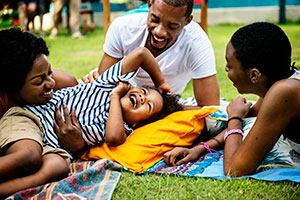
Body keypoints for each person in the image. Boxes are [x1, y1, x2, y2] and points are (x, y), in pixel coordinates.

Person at [164, 22, 300, 178]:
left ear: (254, 75)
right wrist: (200, 149)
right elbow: (248, 119)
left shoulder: (284, 92)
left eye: (229, 65)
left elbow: (234, 170)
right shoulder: (280, 84)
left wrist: (234, 117)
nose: (226, 69)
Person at [24, 47, 182, 158]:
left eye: (148, 105)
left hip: (44, 143)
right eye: (144, 92)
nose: (142, 98)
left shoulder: (123, 128)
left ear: (138, 124)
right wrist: (160, 82)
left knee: (51, 165)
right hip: (34, 110)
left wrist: (115, 97)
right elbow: (141, 53)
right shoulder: (109, 83)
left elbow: (113, 138)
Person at [82, 0, 220, 107]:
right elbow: (101, 91)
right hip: (123, 98)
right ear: (149, 4)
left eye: (172, 26)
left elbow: (210, 109)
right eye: (155, 20)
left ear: (187, 21)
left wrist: (162, 107)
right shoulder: (123, 27)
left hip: (164, 105)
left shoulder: (196, 43)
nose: (159, 32)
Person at [0, 28, 75, 198]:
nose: (51, 83)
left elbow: (70, 83)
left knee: (56, 165)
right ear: (11, 86)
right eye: (39, 80)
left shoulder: (56, 82)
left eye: (49, 72)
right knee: (29, 156)